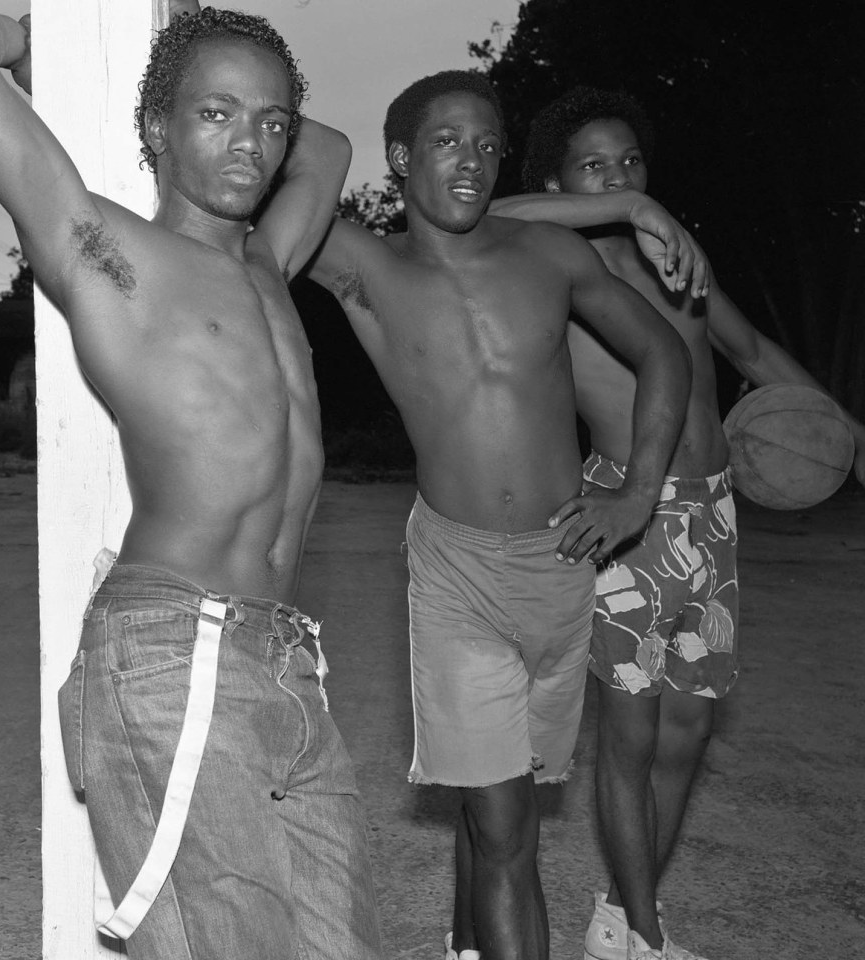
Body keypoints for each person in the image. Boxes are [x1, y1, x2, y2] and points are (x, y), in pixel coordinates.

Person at [0, 5, 384, 959]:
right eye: (214, 114)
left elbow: (330, 145)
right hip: (175, 646)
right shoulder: (110, 256)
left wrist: (219, 68)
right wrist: (95, 52)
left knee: (344, 942)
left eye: (267, 123)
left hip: (283, 655)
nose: (251, 144)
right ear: (155, 130)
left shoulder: (269, 263)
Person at [302, 71, 692, 960]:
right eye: (446, 142)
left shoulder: (548, 258)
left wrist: (638, 489)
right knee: (509, 828)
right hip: (457, 572)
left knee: (499, 801)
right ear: (399, 159)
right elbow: (279, 167)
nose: (472, 160)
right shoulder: (365, 263)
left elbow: (662, 348)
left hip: (561, 568)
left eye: (486, 143)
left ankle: (464, 946)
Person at [494, 86, 865, 960]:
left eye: (630, 162)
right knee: (629, 734)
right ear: (562, 182)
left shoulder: (677, 262)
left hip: (715, 514)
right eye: (594, 166)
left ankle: (623, 918)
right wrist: (621, 205)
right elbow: (487, 210)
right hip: (629, 514)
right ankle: (651, 940)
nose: (620, 177)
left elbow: (749, 354)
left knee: (689, 729)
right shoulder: (556, 264)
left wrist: (844, 429)